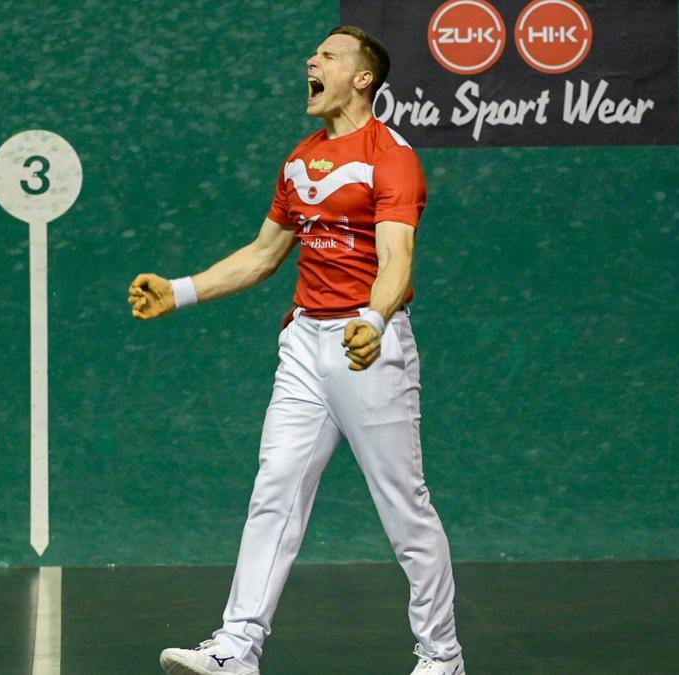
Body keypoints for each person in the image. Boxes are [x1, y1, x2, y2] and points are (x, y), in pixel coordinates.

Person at [128, 25, 465, 675]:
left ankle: (441, 654)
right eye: (314, 55)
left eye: (329, 56)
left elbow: (397, 257)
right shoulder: (299, 159)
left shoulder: (390, 155)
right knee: (275, 487)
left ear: (363, 78)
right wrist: (180, 290)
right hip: (305, 345)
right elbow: (262, 255)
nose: (312, 61)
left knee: (404, 506)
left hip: (371, 347)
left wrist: (374, 315)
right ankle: (237, 645)